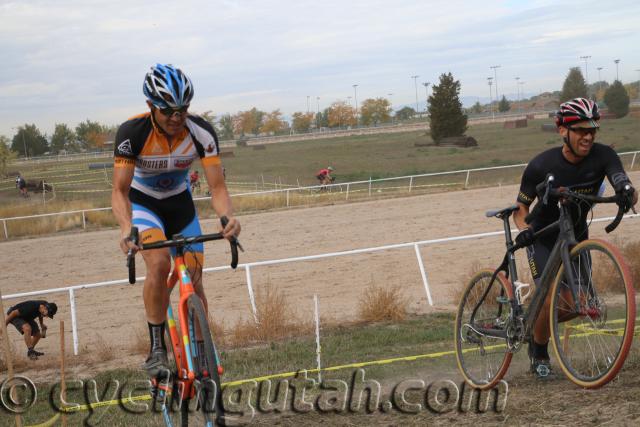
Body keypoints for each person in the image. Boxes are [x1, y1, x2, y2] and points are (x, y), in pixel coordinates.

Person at [111, 64, 241, 378]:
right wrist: (127, 227)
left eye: (182, 109)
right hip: (145, 204)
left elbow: (218, 187)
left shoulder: (201, 132)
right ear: (150, 107)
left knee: (195, 276)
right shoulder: (132, 133)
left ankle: (203, 352)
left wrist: (228, 218)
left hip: (180, 205)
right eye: (168, 110)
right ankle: (157, 348)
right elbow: (119, 191)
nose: (176, 117)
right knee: (158, 264)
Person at [512, 97, 637, 379]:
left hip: (577, 236)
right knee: (549, 301)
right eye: (580, 129)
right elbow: (520, 210)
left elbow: (619, 177)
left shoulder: (604, 155)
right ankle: (539, 351)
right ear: (562, 131)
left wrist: (627, 190)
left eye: (592, 129)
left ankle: (532, 325)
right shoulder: (541, 164)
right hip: (542, 238)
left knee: (577, 304)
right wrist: (525, 231)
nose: (588, 135)